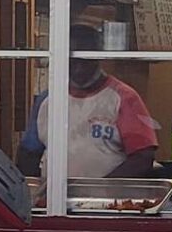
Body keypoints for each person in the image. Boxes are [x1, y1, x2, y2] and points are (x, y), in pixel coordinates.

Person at [20, 24, 158, 178]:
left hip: (109, 199)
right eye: (73, 61)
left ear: (98, 58)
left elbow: (143, 157)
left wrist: (100, 189)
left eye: (86, 61)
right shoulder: (48, 100)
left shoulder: (124, 98)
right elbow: (29, 155)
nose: (79, 69)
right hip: (53, 197)